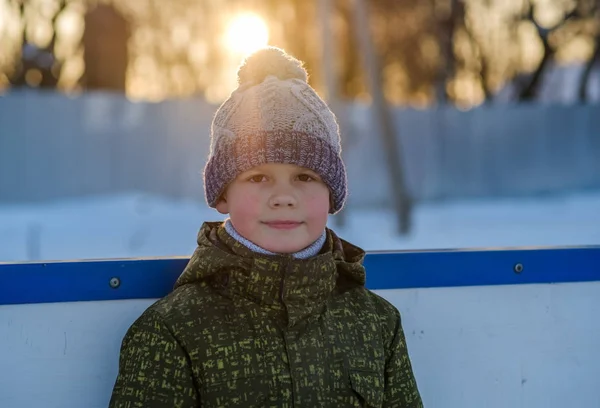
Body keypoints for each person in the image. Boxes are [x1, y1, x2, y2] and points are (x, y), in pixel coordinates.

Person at [109, 47, 422, 408]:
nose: (284, 197)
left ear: (333, 194)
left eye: (305, 176)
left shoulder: (376, 323)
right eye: (258, 177)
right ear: (223, 194)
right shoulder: (175, 330)